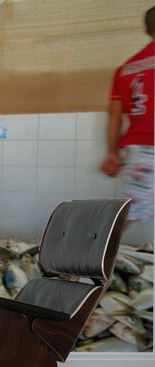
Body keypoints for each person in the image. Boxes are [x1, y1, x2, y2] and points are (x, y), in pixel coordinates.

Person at [100, 6, 155, 224]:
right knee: (129, 215)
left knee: (132, 210)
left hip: (139, 148)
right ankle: (93, 254)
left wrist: (112, 152)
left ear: (146, 30)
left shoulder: (125, 68)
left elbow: (115, 114)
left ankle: (95, 252)